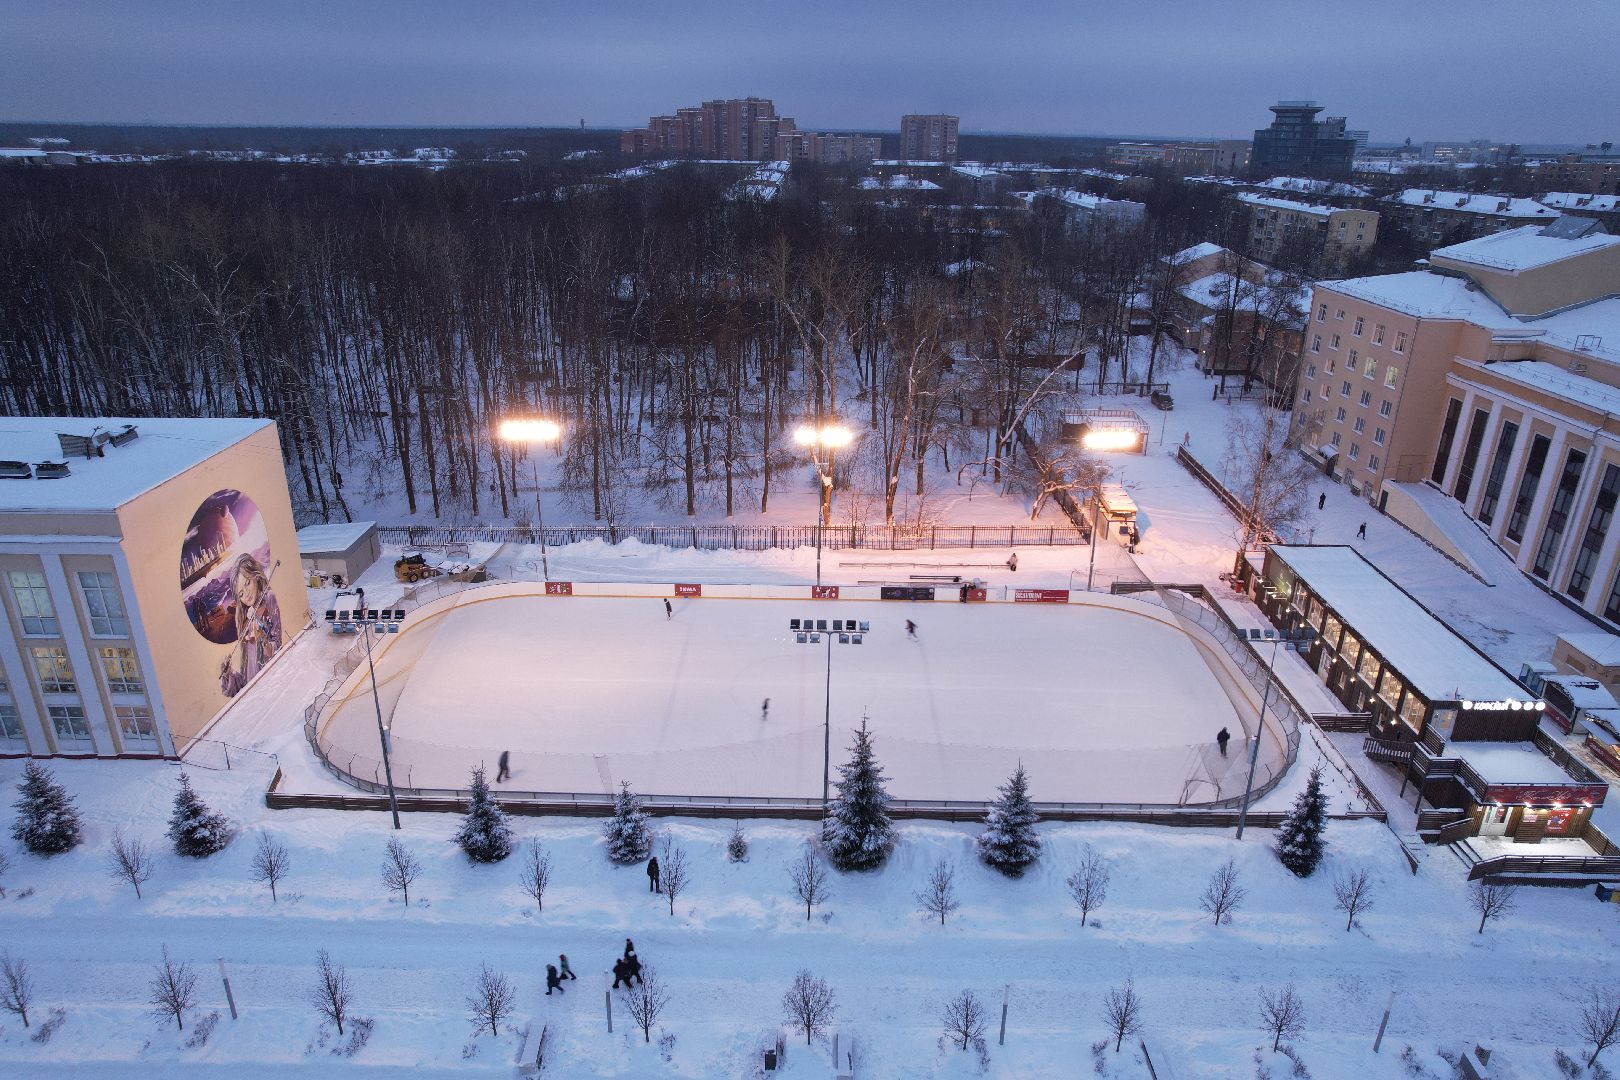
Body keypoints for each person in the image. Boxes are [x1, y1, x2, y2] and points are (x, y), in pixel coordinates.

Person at [219, 553, 284, 698]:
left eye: (247, 583)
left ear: (256, 576)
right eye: (240, 594)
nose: (246, 594)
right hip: (253, 694)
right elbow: (245, 679)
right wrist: (228, 673)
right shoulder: (242, 619)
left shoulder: (269, 598)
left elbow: (277, 647)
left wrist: (263, 638)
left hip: (270, 687)